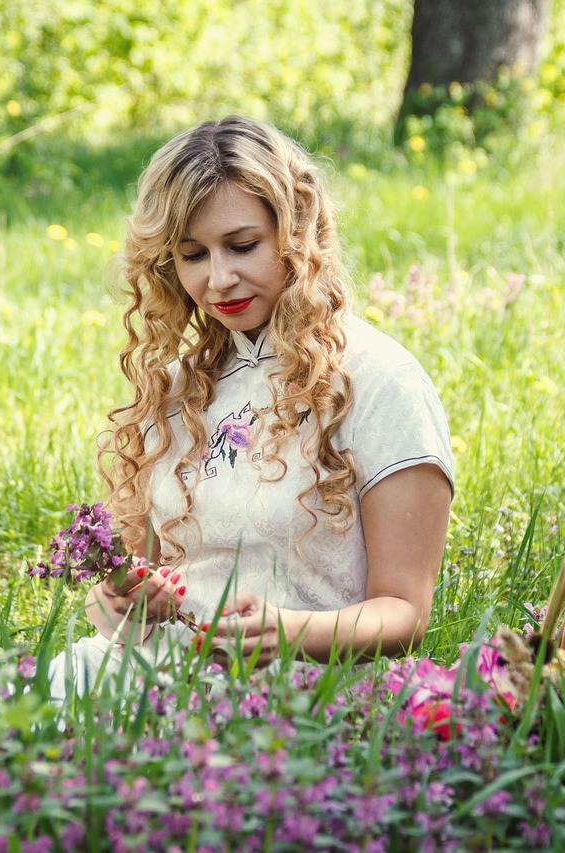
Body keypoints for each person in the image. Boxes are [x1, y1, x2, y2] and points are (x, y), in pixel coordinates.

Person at [59, 115, 454, 691]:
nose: (220, 279)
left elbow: (405, 613)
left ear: (297, 234)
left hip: (293, 703)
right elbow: (126, 592)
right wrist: (119, 601)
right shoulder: (176, 387)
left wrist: (290, 630)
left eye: (242, 246)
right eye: (193, 255)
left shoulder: (380, 380)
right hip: (140, 678)